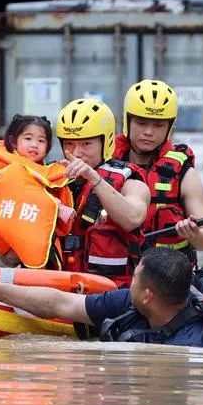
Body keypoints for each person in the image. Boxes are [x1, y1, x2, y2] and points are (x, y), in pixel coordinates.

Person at [0, 247, 203, 348]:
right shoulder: (130, 303)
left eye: (134, 280)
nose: (127, 284)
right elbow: (62, 303)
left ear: (148, 295)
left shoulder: (193, 345)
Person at [111, 79, 203, 260]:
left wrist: (193, 234)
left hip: (167, 275)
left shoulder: (186, 176)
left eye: (158, 125)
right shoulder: (105, 164)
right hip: (117, 271)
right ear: (127, 121)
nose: (149, 132)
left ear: (169, 127)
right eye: (142, 123)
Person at [55, 98, 152, 287]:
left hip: (109, 294)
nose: (77, 153)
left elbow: (132, 218)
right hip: (59, 289)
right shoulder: (51, 180)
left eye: (86, 144)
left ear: (105, 142)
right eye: (69, 144)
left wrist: (94, 178)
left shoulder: (131, 182)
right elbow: (10, 257)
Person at [0, 114, 75, 270]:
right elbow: (27, 195)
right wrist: (59, 208)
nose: (34, 145)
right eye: (28, 139)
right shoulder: (10, 170)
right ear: (13, 142)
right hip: (11, 243)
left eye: (41, 141)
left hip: (39, 237)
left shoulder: (47, 172)